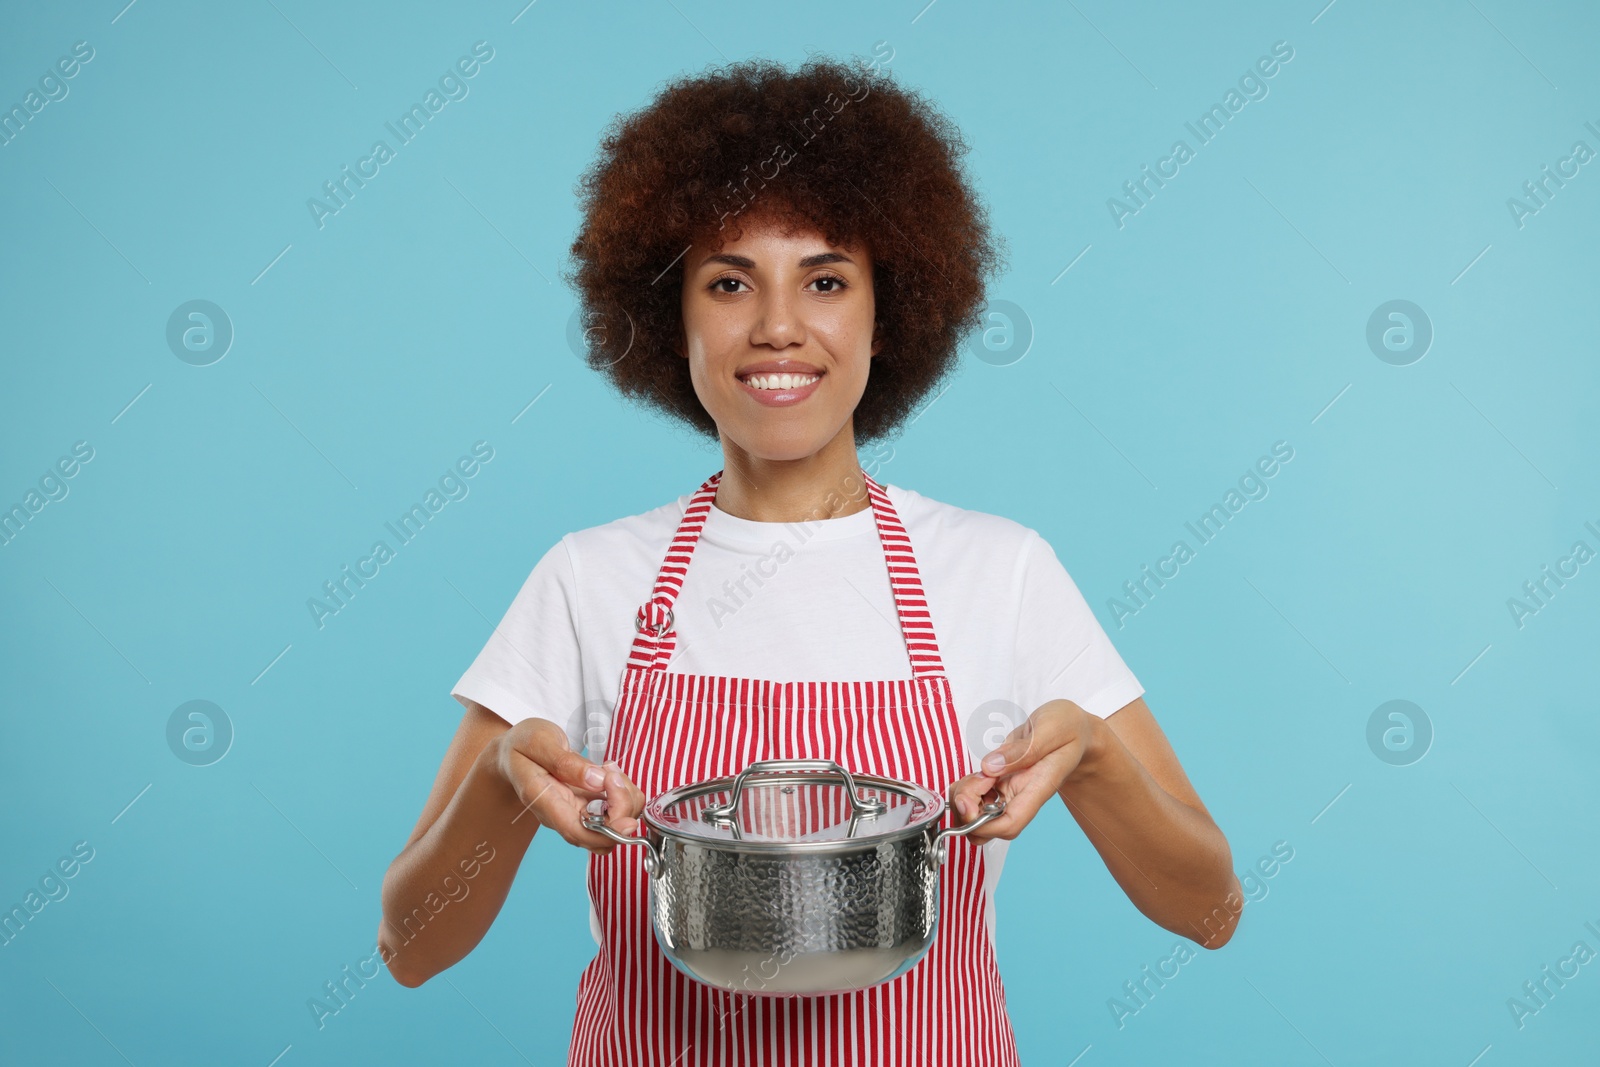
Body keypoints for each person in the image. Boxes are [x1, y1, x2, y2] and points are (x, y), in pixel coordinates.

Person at [378, 53, 1241, 1065]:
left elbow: (1211, 908)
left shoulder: (999, 572)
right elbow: (408, 947)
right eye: (728, 281)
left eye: (825, 279)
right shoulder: (587, 580)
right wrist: (498, 781)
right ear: (673, 318)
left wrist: (1094, 760)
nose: (777, 325)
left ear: (889, 310)